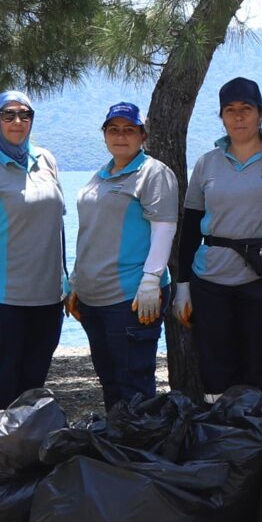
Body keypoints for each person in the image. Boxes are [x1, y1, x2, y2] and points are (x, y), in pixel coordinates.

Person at [173, 77, 262, 400]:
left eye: (246, 109)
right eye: (229, 110)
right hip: (211, 281)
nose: (238, 117)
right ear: (221, 117)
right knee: (215, 367)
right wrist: (182, 286)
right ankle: (222, 440)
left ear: (261, 114)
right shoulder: (207, 163)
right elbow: (191, 226)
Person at [0, 89, 69, 412]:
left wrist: (65, 281)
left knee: (33, 383)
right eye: (9, 115)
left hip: (48, 298)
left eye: (25, 115)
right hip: (2, 301)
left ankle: (23, 452)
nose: (17, 121)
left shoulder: (46, 160)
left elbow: (56, 226)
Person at [69, 103, 182, 404]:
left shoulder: (153, 173)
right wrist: (76, 282)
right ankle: (119, 445)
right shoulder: (100, 176)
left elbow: (163, 229)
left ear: (143, 136)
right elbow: (91, 232)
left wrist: (150, 281)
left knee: (134, 385)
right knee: (111, 383)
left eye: (129, 130)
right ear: (104, 135)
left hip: (131, 298)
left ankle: (138, 449)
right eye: (113, 130)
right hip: (93, 299)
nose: (121, 136)